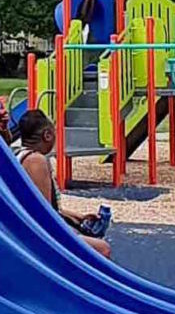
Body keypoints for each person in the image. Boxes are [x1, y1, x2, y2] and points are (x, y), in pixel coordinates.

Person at [13, 107, 110, 257]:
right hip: (37, 233)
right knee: (102, 249)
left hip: (27, 225)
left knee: (87, 237)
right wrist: (69, 231)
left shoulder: (20, 154)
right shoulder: (36, 161)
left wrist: (78, 217)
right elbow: (44, 214)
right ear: (47, 135)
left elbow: (45, 204)